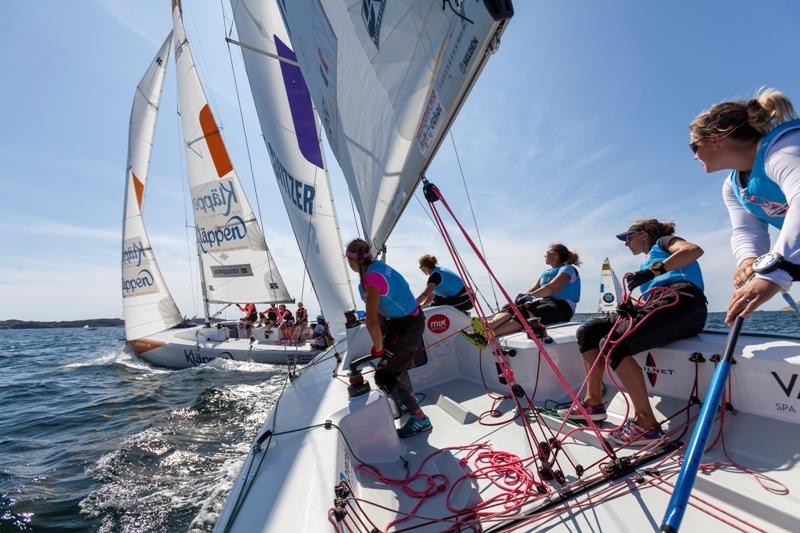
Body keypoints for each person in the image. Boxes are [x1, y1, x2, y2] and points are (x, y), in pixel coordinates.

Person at [558, 220, 707, 446]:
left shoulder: (663, 243)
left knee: (614, 340)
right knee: (588, 331)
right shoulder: (648, 260)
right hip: (660, 304)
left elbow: (693, 250)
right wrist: (633, 307)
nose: (626, 244)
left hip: (684, 303)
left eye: (628, 238)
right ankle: (593, 403)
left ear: (645, 234)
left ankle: (645, 423)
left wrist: (653, 271)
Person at [689, 88, 800, 324]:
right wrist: (748, 259)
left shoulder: (785, 148)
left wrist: (775, 274)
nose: (693, 156)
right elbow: (747, 230)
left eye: (694, 147)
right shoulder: (733, 188)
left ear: (715, 138)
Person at [345, 238, 430, 438]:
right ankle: (408, 406)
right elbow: (381, 314)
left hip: (409, 324)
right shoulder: (376, 269)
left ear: (353, 261)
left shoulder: (372, 278)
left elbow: (372, 320)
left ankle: (420, 419)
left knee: (385, 373)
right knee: (391, 369)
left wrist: (379, 347)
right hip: (399, 322)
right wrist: (383, 339)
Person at [462, 243, 581, 347]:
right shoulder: (545, 273)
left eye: (547, 253)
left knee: (527, 313)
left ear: (555, 255)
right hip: (546, 303)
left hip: (562, 307)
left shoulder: (568, 269)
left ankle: (487, 336)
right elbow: (535, 288)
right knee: (511, 307)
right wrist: (522, 297)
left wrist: (530, 297)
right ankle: (488, 326)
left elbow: (551, 288)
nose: (545, 255)